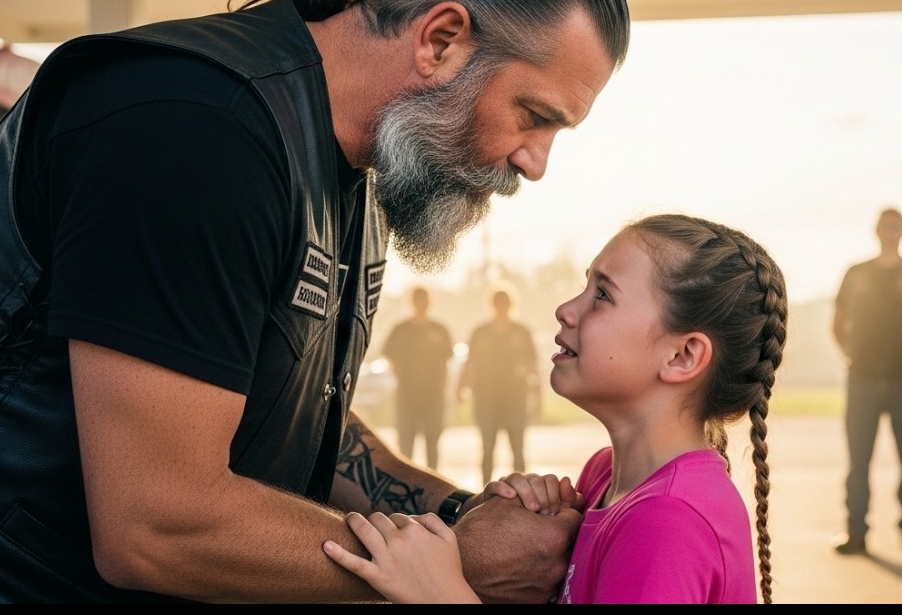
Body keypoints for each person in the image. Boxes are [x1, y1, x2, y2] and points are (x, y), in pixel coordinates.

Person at [0, 0, 630, 604]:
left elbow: (299, 422)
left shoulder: (353, 168)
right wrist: (456, 562)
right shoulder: (194, 127)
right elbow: (155, 524)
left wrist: (472, 515)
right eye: (535, 116)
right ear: (440, 39)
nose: (535, 163)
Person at [324, 213, 789, 604]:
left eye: (603, 295)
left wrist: (441, 592)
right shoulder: (605, 476)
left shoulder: (666, 523)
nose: (566, 309)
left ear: (682, 356)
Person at [829, 207, 902, 558]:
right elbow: (838, 323)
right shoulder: (856, 273)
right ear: (877, 230)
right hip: (862, 379)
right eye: (885, 226)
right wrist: (853, 355)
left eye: (896, 226)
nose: (890, 231)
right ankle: (855, 533)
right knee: (858, 460)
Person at [457, 284, 540, 483]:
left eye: (505, 302)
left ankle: (522, 493)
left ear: (511, 304)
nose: (501, 306)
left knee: (517, 448)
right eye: (497, 302)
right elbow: (471, 362)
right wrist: (461, 387)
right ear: (491, 304)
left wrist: (538, 395)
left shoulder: (521, 332)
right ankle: (486, 490)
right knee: (487, 448)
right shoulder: (481, 332)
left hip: (515, 397)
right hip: (486, 397)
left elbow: (533, 365)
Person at [381, 285, 455, 469]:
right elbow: (391, 358)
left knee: (432, 442)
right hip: (407, 394)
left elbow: (445, 363)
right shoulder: (401, 330)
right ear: (412, 302)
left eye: (424, 299)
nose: (421, 303)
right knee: (406, 444)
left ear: (430, 302)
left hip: (433, 395)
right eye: (418, 299)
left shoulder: (440, 329)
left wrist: (444, 390)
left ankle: (434, 482)